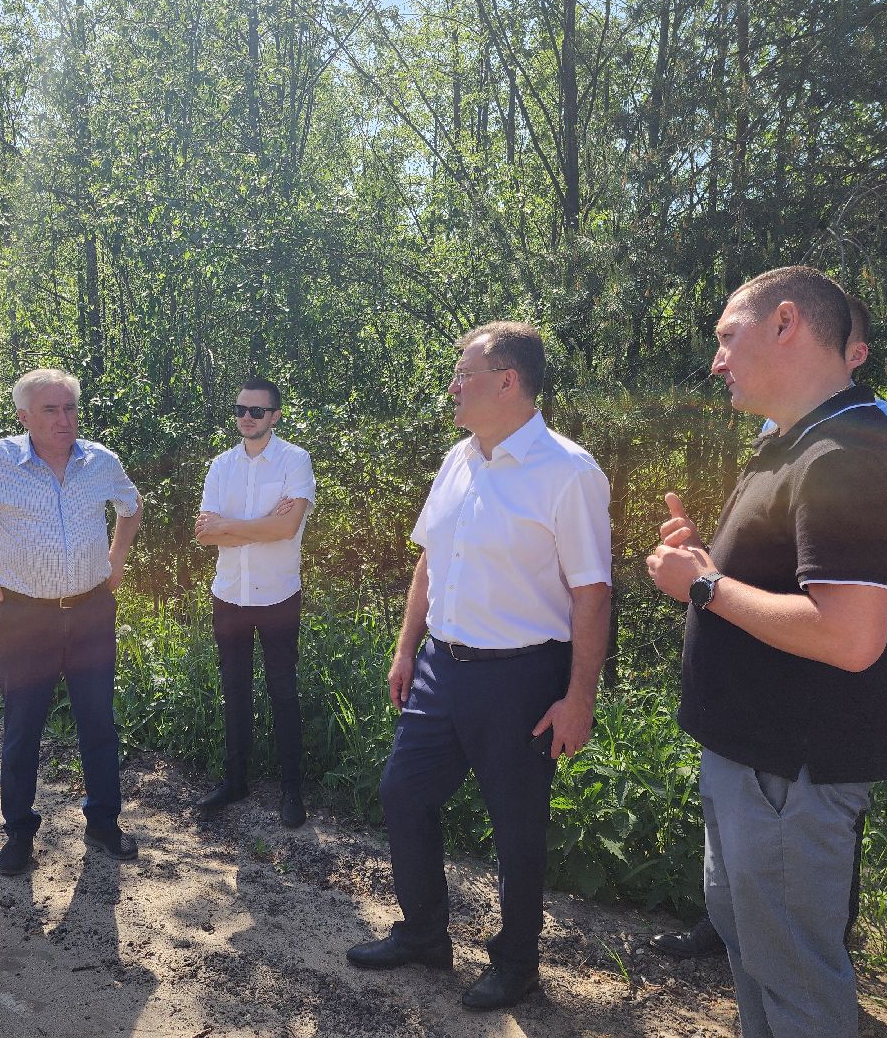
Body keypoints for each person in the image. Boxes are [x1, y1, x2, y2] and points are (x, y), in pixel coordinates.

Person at [646, 267, 887, 1036]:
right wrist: (709, 561)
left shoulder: (847, 453)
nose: (716, 361)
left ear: (787, 324)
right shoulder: (796, 444)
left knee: (797, 980)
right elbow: (784, 595)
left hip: (788, 776)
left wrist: (703, 585)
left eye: (726, 337)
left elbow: (849, 635)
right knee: (759, 958)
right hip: (753, 764)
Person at [345, 322, 612, 1011]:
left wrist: (579, 697)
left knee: (517, 825)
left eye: (464, 374)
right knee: (404, 793)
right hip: (442, 666)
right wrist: (408, 649)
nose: (453, 386)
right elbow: (430, 558)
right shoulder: (458, 458)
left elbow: (591, 592)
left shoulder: (569, 472)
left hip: (522, 678)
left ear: (508, 381)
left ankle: (518, 962)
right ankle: (425, 934)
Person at [0, 368, 143, 876]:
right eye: (51, 410)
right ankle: (18, 832)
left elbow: (131, 505)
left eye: (71, 408)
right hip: (24, 616)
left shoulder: (99, 461)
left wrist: (117, 558)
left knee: (99, 722)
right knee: (22, 727)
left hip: (90, 612)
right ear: (23, 417)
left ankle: (103, 822)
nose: (65, 420)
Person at [192, 378, 316, 828]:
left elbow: (286, 530)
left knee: (283, 690)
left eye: (257, 411)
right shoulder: (221, 465)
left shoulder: (294, 461)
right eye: (241, 409)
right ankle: (236, 781)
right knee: (235, 691)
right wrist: (254, 526)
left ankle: (291, 790)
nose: (247, 417)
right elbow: (204, 533)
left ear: (275, 416)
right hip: (229, 595)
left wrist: (231, 526)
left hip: (278, 593)